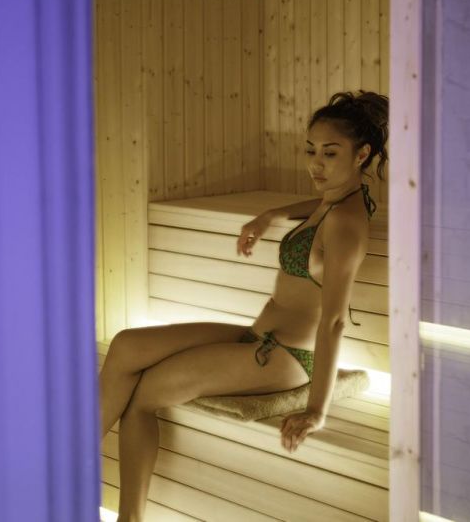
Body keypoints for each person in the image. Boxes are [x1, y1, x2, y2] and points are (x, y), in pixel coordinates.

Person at [98, 89, 389, 521]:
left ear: (361, 154)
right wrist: (272, 214)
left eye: (331, 153)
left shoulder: (346, 224)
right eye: (311, 150)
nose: (316, 164)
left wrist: (316, 411)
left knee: (143, 395)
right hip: (260, 337)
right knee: (125, 344)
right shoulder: (340, 200)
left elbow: (333, 323)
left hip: (288, 357)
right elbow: (324, 202)